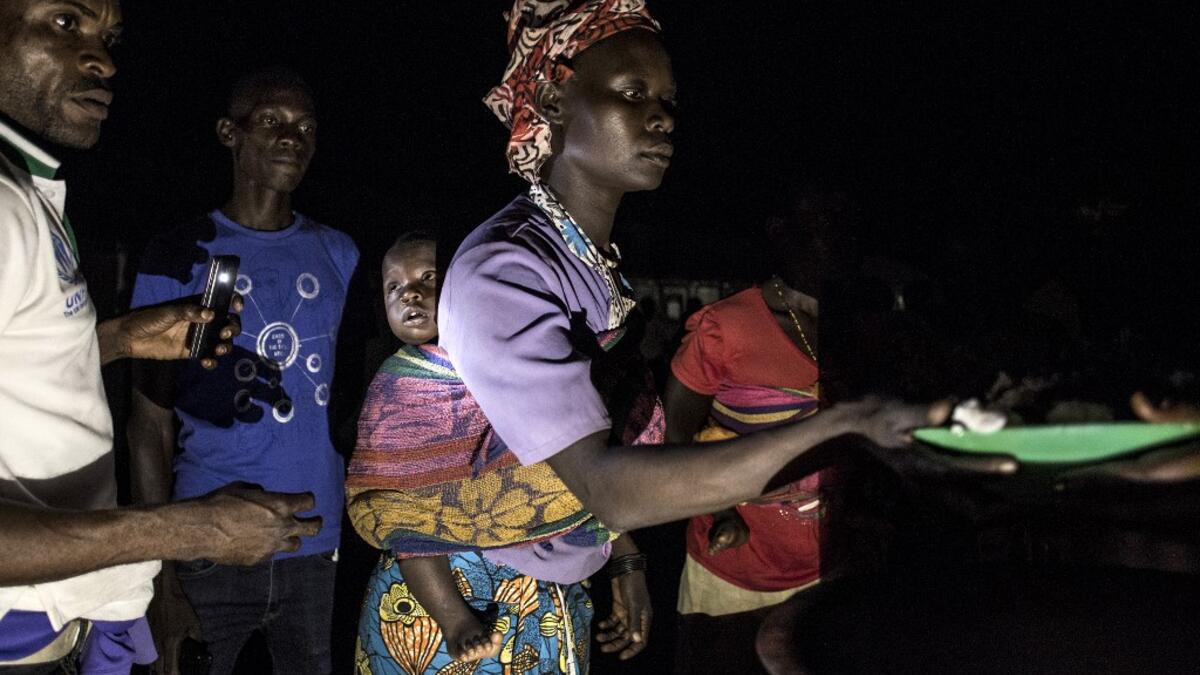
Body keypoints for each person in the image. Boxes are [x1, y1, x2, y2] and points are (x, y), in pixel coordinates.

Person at [0, 2, 321, 673]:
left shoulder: (25, 193)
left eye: (108, 36)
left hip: (60, 620)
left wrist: (117, 337)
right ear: (229, 133)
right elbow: (150, 423)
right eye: (65, 22)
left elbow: (22, 365)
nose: (103, 60)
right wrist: (185, 529)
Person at [128, 68, 358, 675]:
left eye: (306, 127)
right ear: (230, 133)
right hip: (207, 537)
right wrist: (162, 574)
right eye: (271, 122)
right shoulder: (181, 252)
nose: (292, 138)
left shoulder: (341, 253)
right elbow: (148, 423)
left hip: (317, 537)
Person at [349, 232, 652, 673]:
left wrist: (626, 558)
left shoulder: (532, 360)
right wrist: (454, 620)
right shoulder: (408, 386)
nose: (410, 293)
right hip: (439, 614)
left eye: (429, 277)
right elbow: (402, 518)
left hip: (551, 606)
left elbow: (578, 472)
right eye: (393, 286)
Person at [663, 187, 853, 674]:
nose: (831, 236)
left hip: (829, 568)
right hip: (735, 573)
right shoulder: (727, 326)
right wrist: (722, 509)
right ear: (779, 232)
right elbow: (676, 433)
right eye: (816, 222)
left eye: (839, 222)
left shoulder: (859, 327)